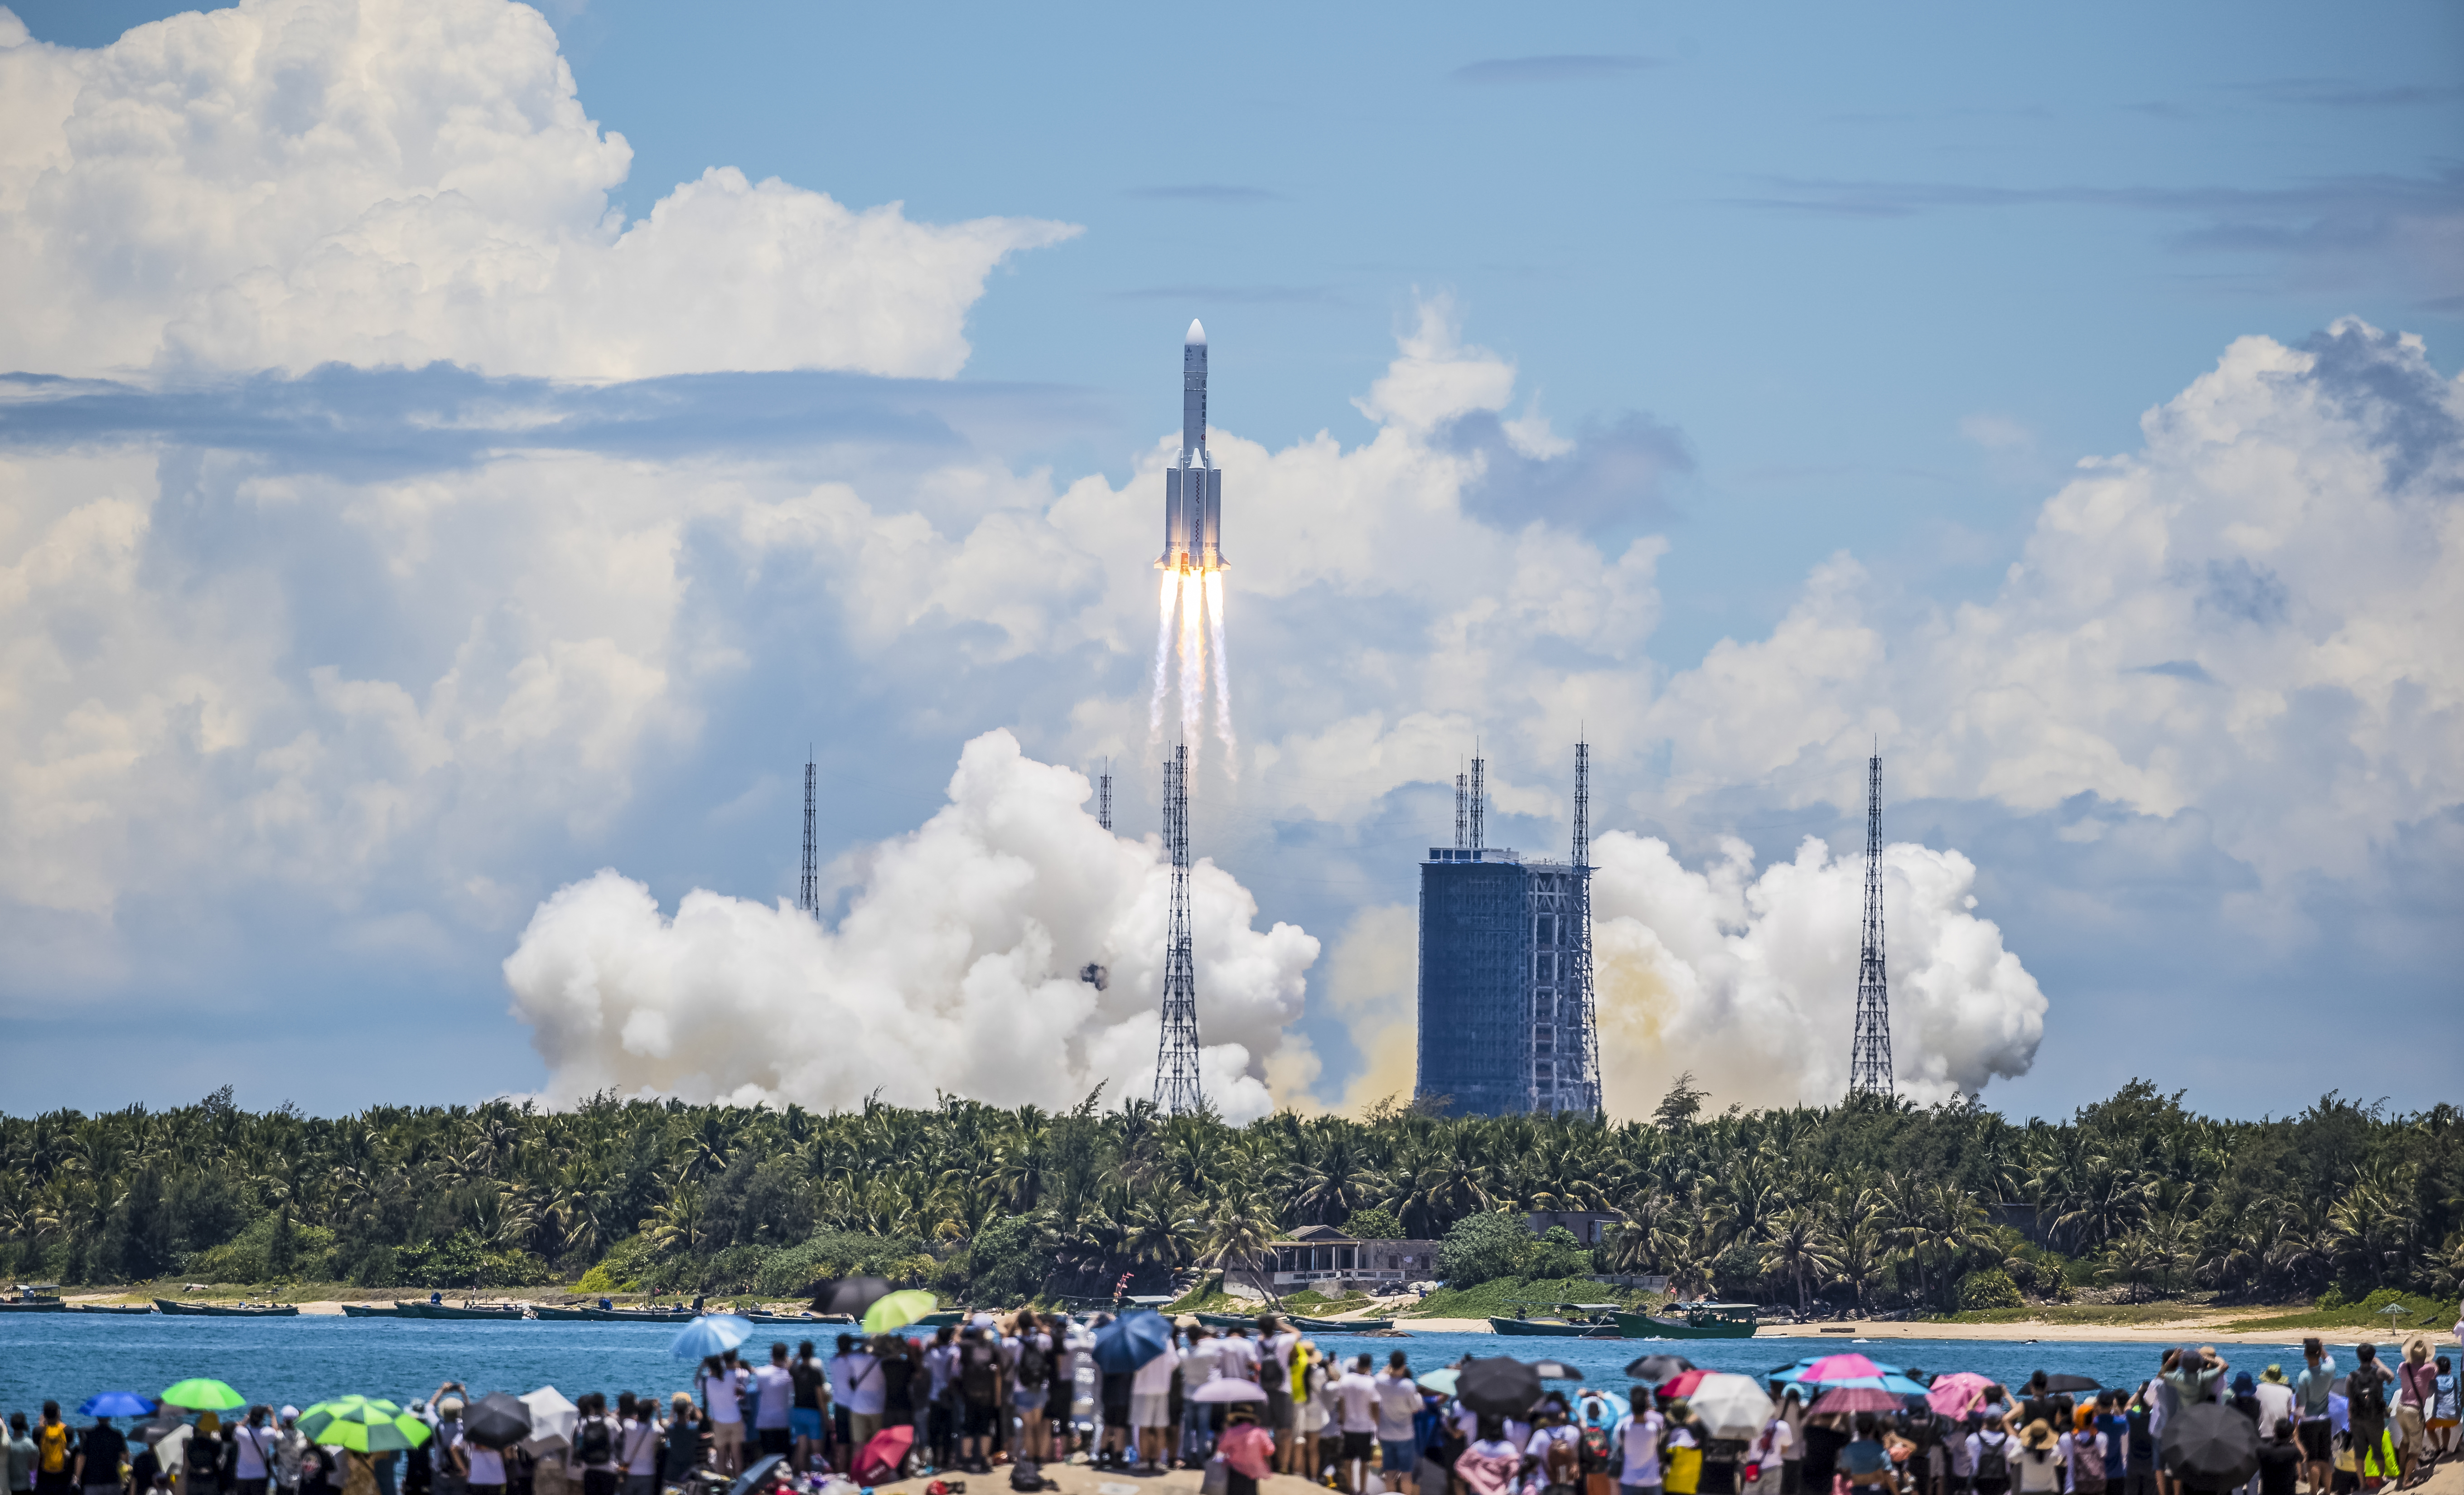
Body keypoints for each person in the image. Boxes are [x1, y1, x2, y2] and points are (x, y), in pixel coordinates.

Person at [1131, 1321, 1184, 1475]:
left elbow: (1133, 1364)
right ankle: (1159, 1460)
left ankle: (1144, 1460)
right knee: (1161, 1426)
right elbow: (1174, 1364)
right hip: (1162, 1389)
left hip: (1142, 1389)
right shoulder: (1167, 1341)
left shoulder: (1141, 1341)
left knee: (1144, 1426)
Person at [827, 1334, 884, 1461]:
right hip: (853, 1406)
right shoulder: (854, 1360)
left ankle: (845, 1473)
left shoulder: (833, 1361)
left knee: (843, 1445)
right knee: (861, 1442)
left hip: (839, 1405)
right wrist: (862, 1341)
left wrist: (850, 1342)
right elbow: (862, 1353)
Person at [2345, 1346, 2392, 1490]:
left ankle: (2362, 1485)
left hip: (2358, 1419)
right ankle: (2382, 1479)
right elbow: (2391, 1377)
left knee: (2360, 1452)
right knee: (2377, 1449)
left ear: (2358, 1357)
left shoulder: (2351, 1377)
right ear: (2373, 1356)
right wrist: (2378, 1363)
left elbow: (2350, 1401)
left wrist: (2350, 1420)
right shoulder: (2379, 1373)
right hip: (2375, 1418)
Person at [2295, 1342, 2338, 1495]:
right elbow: (2329, 1359)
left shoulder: (2304, 1376)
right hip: (2325, 1419)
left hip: (2309, 1421)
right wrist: (2322, 1348)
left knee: (2313, 1460)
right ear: (2319, 1354)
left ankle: (2313, 1491)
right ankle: (2327, 1491)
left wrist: (2295, 1423)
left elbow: (2302, 1404)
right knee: (2325, 1458)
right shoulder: (2329, 1370)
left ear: (2305, 1355)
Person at [957, 1325, 1002, 1475]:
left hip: (970, 1394)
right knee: (985, 1428)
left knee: (969, 1428)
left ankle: (967, 1460)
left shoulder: (967, 1347)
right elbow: (998, 1375)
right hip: (987, 1396)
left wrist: (958, 1331)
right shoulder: (993, 1348)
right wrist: (997, 1398)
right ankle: (984, 1461)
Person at [1376, 1353, 1422, 1495]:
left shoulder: (1381, 1382)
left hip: (1385, 1433)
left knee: (1389, 1473)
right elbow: (1415, 1409)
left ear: (1390, 1365)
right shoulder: (1408, 1386)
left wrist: (1387, 1370)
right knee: (1406, 1474)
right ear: (1404, 1365)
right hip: (1405, 1435)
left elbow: (1378, 1376)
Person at [2394, 1338, 2434, 1487]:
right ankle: (2406, 1481)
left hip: (2401, 1407)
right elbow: (2436, 1371)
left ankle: (2402, 1470)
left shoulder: (2403, 1366)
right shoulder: (2428, 1369)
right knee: (2416, 1449)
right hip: (2414, 1410)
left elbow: (2401, 1373)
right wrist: (2429, 1360)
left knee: (2405, 1440)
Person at [696, 1355, 743, 1479]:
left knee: (721, 1457)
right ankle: (739, 1485)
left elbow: (696, 1382)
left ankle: (724, 1485)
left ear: (709, 1366)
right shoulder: (731, 1376)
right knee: (736, 1455)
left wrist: (702, 1366)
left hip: (719, 1423)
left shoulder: (706, 1382)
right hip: (736, 1420)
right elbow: (742, 1373)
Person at [787, 1341, 830, 1475]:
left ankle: (802, 1476)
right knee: (817, 1450)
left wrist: (797, 1356)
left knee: (802, 1448)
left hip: (798, 1411)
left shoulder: (795, 1370)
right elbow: (820, 1398)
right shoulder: (816, 1372)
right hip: (813, 1412)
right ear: (812, 1354)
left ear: (801, 1353)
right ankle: (817, 1477)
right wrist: (825, 1415)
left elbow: (790, 1366)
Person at [1614, 1388, 1664, 1495]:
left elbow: (1620, 1444)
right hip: (1652, 1481)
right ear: (1646, 1405)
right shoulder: (1655, 1428)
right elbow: (1659, 1443)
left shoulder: (1622, 1428)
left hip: (1629, 1480)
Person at [1457, 1417, 1524, 1495]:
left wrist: (1474, 1480)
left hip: (1479, 1490)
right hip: (1500, 1491)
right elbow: (1514, 1470)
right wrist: (1507, 1484)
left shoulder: (1478, 1446)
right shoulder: (1509, 1448)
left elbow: (1460, 1466)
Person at [1219, 1408, 1277, 1495]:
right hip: (1253, 1471)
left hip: (1235, 1471)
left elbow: (1221, 1448)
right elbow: (1271, 1450)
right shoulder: (1259, 1432)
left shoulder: (1231, 1432)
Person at [616, 1396, 657, 1495]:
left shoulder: (628, 1425)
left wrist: (637, 1406)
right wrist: (656, 1409)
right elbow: (659, 1426)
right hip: (648, 1472)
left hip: (629, 1471)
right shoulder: (656, 1430)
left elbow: (620, 1415)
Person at [75, 1416, 125, 1495]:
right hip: (112, 1480)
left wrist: (78, 1477)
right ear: (109, 1418)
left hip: (92, 1481)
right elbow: (124, 1458)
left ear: (97, 1418)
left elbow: (82, 1458)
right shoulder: (117, 1435)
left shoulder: (89, 1436)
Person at [2013, 1423, 2066, 1495]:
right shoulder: (2054, 1451)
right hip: (2048, 1492)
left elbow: (2011, 1458)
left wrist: (2020, 1443)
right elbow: (2061, 1462)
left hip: (2028, 1491)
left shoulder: (2024, 1451)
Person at [1971, 1411, 2015, 1495]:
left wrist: (1983, 1428)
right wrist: (2006, 1422)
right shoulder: (2009, 1441)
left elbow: (1970, 1455)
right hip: (2003, 1488)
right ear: (2001, 1422)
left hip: (1981, 1488)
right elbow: (2016, 1440)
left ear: (1985, 1421)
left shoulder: (1973, 1439)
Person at [2255, 1421, 2300, 1495]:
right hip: (2288, 1491)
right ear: (2291, 1434)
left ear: (2274, 1431)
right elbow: (2304, 1457)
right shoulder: (2293, 1451)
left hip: (2268, 1491)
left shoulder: (2262, 1450)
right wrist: (2296, 1439)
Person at [2428, 1357, 2457, 1461]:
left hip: (2439, 1418)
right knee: (2446, 1426)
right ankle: (2445, 1448)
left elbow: (2429, 1395)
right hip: (2454, 1418)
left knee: (2429, 1428)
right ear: (2450, 1369)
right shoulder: (2454, 1380)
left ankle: (2438, 1449)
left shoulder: (2434, 1381)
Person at [10, 1415, 37, 1495]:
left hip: (11, 1486)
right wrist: (33, 1484)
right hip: (27, 1486)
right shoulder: (31, 1445)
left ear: (12, 1426)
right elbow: (33, 1467)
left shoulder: (8, 1445)